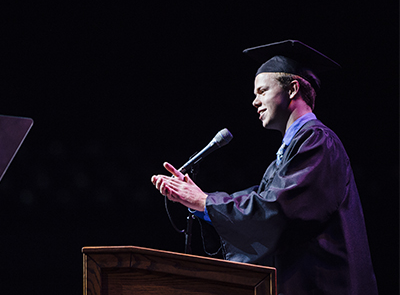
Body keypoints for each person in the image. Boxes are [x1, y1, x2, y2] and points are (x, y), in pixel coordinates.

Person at [151, 40, 378, 295]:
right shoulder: (288, 155)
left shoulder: (317, 142)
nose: (254, 102)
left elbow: (276, 209)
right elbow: (262, 203)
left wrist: (206, 202)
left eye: (262, 91)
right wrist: (201, 204)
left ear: (292, 89)